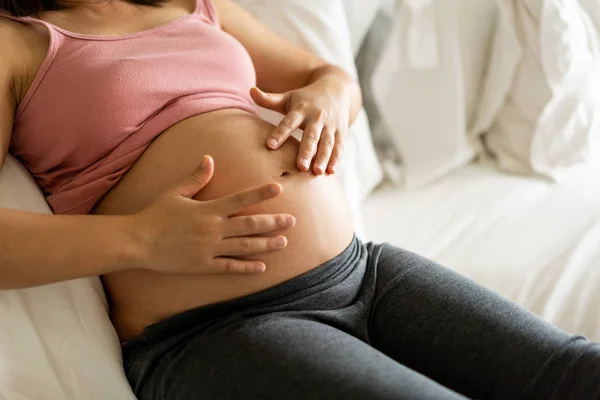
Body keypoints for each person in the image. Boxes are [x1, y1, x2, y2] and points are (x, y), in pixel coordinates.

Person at [0, 0, 599, 398]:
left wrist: (331, 98)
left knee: (575, 371)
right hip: (219, 330)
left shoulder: (192, 5)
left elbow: (326, 74)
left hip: (363, 272)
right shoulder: (18, 45)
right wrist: (143, 238)